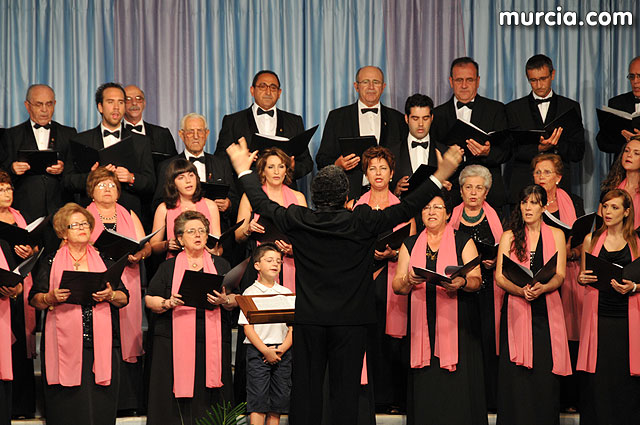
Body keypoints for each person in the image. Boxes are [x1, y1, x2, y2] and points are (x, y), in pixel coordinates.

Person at [226, 137, 463, 425]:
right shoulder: (361, 220)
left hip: (310, 321)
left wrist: (243, 170)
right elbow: (407, 207)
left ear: (314, 194)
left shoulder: (300, 219)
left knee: (307, 390)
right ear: (345, 194)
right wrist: (441, 175)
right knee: (346, 392)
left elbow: (263, 202)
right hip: (351, 322)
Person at [29, 203, 129, 425]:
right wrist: (50, 298)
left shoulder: (104, 259)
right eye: (75, 225)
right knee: (68, 407)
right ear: (63, 232)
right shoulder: (51, 261)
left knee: (99, 404)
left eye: (85, 223)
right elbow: (35, 298)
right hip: (63, 343)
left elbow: (124, 298)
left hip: (100, 342)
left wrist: (111, 295)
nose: (82, 228)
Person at [392, 191, 486, 424]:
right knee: (426, 383)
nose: (431, 212)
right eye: (426, 208)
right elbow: (397, 285)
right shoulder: (410, 243)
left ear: (447, 213)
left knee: (457, 385)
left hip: (457, 324)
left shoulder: (463, 240)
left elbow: (476, 279)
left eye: (437, 208)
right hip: (421, 324)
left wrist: (462, 282)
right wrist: (407, 281)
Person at [145, 210, 235, 425]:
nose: (198, 235)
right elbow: (149, 299)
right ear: (180, 238)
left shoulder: (221, 265)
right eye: (192, 231)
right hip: (173, 339)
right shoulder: (167, 267)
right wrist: (168, 303)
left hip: (211, 339)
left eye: (202, 231)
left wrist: (224, 300)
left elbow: (235, 298)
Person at [233, 146, 305, 404]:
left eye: (281, 166)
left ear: (287, 170)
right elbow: (237, 236)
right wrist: (248, 228)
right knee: (260, 324)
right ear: (261, 170)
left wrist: (294, 248)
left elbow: (308, 237)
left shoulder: (297, 196)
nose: (276, 171)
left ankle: (289, 392)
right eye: (271, 166)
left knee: (292, 324)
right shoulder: (251, 195)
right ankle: (254, 390)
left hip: (291, 266)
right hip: (262, 266)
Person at [347, 146, 416, 414]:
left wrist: (394, 252)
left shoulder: (402, 208)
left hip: (394, 279)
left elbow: (411, 246)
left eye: (383, 168)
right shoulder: (355, 206)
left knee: (392, 341)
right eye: (372, 168)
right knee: (368, 337)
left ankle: (392, 398)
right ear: (365, 173)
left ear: (391, 173)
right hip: (364, 280)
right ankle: (369, 397)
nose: (378, 173)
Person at [495, 185, 571, 425]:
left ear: (543, 207)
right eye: (524, 202)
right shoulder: (509, 235)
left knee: (543, 376)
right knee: (516, 377)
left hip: (546, 310)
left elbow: (559, 275)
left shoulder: (557, 234)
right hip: (516, 308)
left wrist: (543, 288)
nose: (528, 207)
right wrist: (520, 290)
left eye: (534, 203)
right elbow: (499, 276)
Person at [85, 167, 151, 414]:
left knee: (128, 336)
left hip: (127, 277)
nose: (108, 189)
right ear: (91, 191)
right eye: (102, 185)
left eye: (112, 185)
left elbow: (146, 246)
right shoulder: (85, 215)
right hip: (98, 278)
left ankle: (129, 402)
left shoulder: (129, 213)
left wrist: (139, 253)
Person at [576, 189, 640, 425]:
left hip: (627, 321)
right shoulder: (591, 240)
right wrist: (581, 279)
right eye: (605, 206)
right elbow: (584, 276)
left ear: (626, 212)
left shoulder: (636, 241)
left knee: (625, 381)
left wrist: (633, 287)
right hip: (598, 319)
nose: (608, 212)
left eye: (614, 207)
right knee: (598, 381)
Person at [448, 164, 503, 411]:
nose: (473, 192)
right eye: (468, 187)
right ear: (460, 191)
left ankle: (490, 400)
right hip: (459, 290)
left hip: (490, 290)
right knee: (463, 343)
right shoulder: (451, 218)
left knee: (488, 343)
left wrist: (495, 261)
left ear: (486, 192)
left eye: (478, 188)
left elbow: (507, 251)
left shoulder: (497, 220)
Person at [65, 82, 156, 220]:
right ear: (100, 107)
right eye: (110, 102)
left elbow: (150, 183)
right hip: (91, 217)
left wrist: (131, 178)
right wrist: (92, 176)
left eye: (120, 102)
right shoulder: (81, 140)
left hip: (129, 216)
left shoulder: (141, 142)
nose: (116, 108)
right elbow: (67, 182)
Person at [316, 66, 405, 200]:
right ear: (356, 86)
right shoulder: (337, 117)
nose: (371, 87)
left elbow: (404, 159)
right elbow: (322, 159)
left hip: (389, 197)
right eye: (365, 82)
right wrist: (337, 165)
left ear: (383, 87)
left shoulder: (397, 119)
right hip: (348, 198)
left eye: (376, 82)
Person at [430, 57, 509, 208]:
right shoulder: (437, 114)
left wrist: (487, 152)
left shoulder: (496, 110)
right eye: (459, 80)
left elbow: (506, 151)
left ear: (478, 81)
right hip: (449, 193)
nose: (464, 85)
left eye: (469, 80)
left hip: (489, 193)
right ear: (451, 81)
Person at [505, 54, 585, 204]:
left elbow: (578, 152)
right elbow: (508, 150)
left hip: (559, 186)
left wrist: (556, 144)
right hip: (523, 184)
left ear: (552, 74)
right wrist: (538, 148)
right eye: (533, 80)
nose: (539, 85)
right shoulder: (513, 109)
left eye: (543, 79)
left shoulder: (570, 107)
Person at [215, 70, 313, 188]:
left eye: (273, 88)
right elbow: (219, 161)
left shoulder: (294, 121)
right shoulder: (233, 121)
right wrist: (240, 161)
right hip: (245, 191)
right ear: (252, 90)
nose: (268, 92)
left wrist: (292, 167)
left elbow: (307, 163)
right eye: (262, 86)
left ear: (279, 92)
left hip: (285, 193)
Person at [0, 84, 76, 223]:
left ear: (55, 104)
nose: (44, 110)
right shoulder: (11, 135)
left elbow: (75, 175)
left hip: (59, 211)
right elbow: (2, 173)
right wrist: (12, 169)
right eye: (39, 104)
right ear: (27, 106)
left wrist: (63, 169)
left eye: (49, 104)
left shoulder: (69, 133)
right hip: (23, 211)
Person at [238, 242, 293, 425]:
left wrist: (282, 349)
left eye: (278, 260)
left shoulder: (286, 293)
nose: (275, 264)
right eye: (269, 260)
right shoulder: (250, 293)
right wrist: (265, 350)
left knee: (277, 401)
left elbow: (293, 327)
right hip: (258, 352)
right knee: (258, 400)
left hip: (282, 352)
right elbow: (247, 327)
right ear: (257, 265)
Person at [153, 113, 237, 233]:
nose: (196, 136)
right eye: (190, 132)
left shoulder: (221, 164)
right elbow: (157, 204)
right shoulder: (167, 166)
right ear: (181, 135)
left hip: (217, 233)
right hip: (179, 233)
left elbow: (235, 200)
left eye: (200, 131)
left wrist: (228, 204)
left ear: (207, 134)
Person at [0, 171, 37, 419]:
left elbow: (35, 251)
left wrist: (30, 251)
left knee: (20, 344)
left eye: (8, 189)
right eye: (0, 189)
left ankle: (21, 406)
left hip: (20, 287)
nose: (6, 193)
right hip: (0, 288)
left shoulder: (20, 218)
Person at [150, 159, 221, 258]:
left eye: (191, 175)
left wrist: (216, 252)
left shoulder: (211, 205)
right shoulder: (164, 209)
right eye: (181, 177)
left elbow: (219, 246)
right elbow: (152, 246)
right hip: (176, 263)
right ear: (173, 183)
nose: (188, 181)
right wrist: (166, 244)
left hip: (206, 262)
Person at [393, 94, 444, 197]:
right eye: (415, 118)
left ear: (432, 118)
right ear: (406, 119)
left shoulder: (445, 152)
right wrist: (395, 192)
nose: (420, 124)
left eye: (425, 118)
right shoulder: (392, 153)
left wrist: (447, 189)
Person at [596, 56, 640, 156]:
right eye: (632, 76)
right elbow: (602, 142)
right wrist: (626, 144)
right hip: (622, 168)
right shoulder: (617, 103)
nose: (635, 81)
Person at [123, 84, 178, 157]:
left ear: (144, 103)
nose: (134, 103)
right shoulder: (114, 133)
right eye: (128, 99)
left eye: (138, 98)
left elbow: (173, 165)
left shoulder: (162, 135)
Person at [601, 138, 640, 227]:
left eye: (636, 153)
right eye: (626, 151)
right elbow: (600, 222)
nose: (629, 155)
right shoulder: (610, 188)